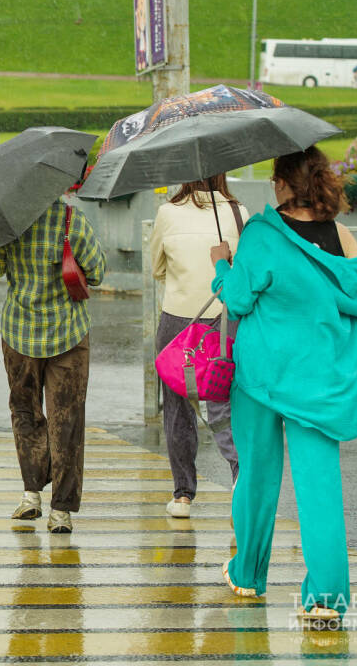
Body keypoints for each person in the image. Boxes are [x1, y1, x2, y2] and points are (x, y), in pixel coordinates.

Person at [211, 146, 357, 625]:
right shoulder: (340, 234)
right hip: (321, 381)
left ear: (284, 183)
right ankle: (327, 599)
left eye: (275, 178)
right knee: (320, 489)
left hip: (262, 377)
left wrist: (222, 265)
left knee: (257, 478)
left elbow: (238, 300)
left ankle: (247, 574)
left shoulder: (261, 234)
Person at [0, 198, 106, 533]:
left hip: (19, 331)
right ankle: (61, 511)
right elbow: (97, 272)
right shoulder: (71, 220)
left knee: (25, 411)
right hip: (68, 332)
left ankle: (31, 494)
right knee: (68, 419)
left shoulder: (8, 222)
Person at [148, 175, 245, 519]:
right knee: (228, 404)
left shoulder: (167, 213)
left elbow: (157, 267)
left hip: (178, 321)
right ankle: (239, 479)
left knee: (178, 408)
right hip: (225, 320)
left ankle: (183, 495)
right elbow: (243, 275)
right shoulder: (239, 212)